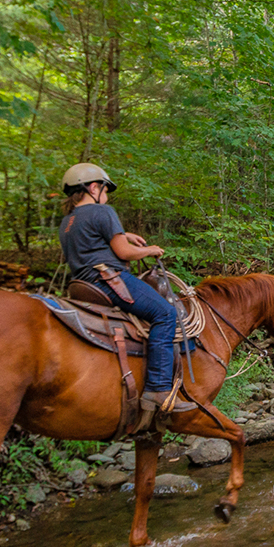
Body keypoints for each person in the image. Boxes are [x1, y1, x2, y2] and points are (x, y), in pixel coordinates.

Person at [59, 163, 194, 413]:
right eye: (105, 190)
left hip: (82, 282)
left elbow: (93, 242)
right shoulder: (103, 212)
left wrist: (124, 233)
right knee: (165, 314)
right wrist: (150, 250)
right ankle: (158, 388)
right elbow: (124, 253)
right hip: (108, 279)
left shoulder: (68, 221)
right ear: (93, 187)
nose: (106, 196)